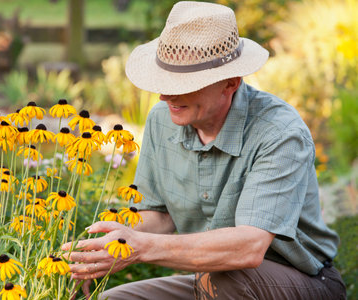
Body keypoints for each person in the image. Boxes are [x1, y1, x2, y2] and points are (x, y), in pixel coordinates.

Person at [62, 1, 346, 299]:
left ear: (230, 82)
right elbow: (158, 217)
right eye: (164, 79)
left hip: (306, 282)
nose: (164, 94)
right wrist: (103, 249)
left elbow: (248, 248)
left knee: (228, 280)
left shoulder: (278, 132)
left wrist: (141, 248)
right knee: (114, 299)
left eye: (183, 82)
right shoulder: (163, 119)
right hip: (214, 282)